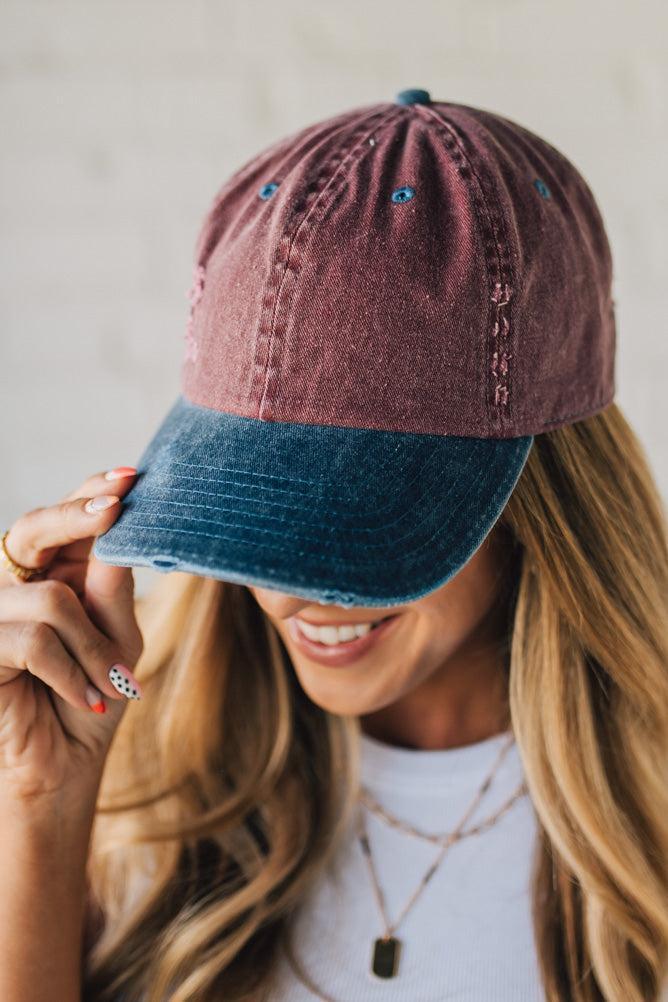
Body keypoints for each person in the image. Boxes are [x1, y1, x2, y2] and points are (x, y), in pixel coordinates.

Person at [0, 91, 666, 1002]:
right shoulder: (129, 787)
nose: (290, 594)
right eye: (248, 510)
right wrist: (42, 806)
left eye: (353, 514)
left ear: (541, 491)